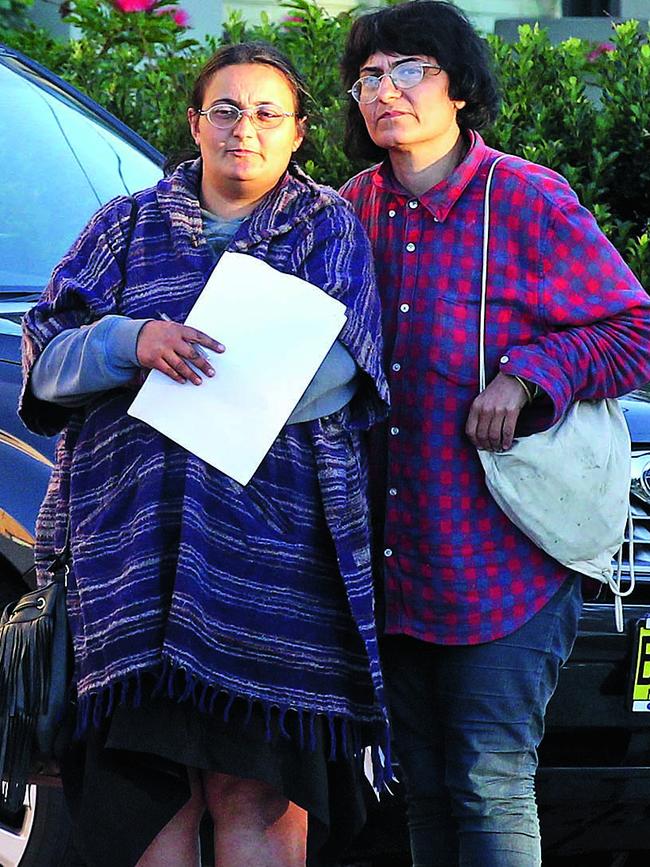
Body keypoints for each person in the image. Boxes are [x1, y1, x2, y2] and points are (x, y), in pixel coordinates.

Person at [19, 41, 391, 867]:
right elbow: (46, 359)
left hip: (274, 582)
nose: (243, 130)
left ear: (299, 134)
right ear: (195, 124)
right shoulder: (123, 224)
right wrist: (134, 339)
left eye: (267, 114)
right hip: (128, 574)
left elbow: (343, 370)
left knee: (257, 797)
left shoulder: (327, 230)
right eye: (225, 110)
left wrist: (219, 395)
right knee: (154, 802)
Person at [339, 3, 650, 866]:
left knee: (490, 780)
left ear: (460, 89)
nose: (385, 90)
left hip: (505, 560)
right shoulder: (349, 211)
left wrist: (528, 375)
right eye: (369, 76)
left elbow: (634, 330)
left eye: (410, 69)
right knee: (425, 785)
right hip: (392, 562)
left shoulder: (529, 200)